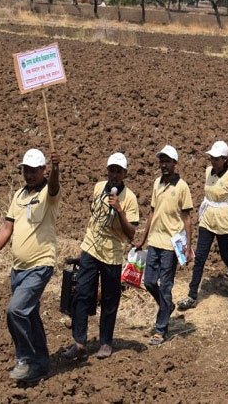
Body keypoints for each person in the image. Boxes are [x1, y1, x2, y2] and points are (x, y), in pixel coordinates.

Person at [0, 148, 61, 382]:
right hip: (18, 270)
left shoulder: (48, 192)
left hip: (40, 264)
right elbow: (7, 228)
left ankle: (24, 359)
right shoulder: (19, 196)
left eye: (33, 171)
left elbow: (54, 186)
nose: (28, 175)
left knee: (15, 310)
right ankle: (42, 363)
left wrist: (56, 169)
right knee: (30, 314)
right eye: (25, 170)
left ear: (43, 170)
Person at [63, 152, 139, 360]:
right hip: (91, 248)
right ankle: (79, 342)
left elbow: (131, 232)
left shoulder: (129, 198)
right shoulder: (98, 188)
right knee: (81, 294)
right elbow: (94, 217)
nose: (114, 175)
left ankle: (105, 342)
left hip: (112, 254)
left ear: (124, 174)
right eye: (111, 170)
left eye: (118, 171)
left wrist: (120, 211)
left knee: (109, 299)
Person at [134, 145, 193, 345]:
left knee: (166, 286)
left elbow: (187, 218)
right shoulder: (156, 184)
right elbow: (152, 212)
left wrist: (188, 245)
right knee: (149, 281)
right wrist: (143, 239)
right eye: (162, 161)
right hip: (154, 242)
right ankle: (166, 307)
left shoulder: (182, 187)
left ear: (175, 164)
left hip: (171, 244)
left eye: (167, 161)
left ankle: (160, 329)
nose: (164, 165)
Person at [177, 141, 228, 310]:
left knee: (226, 255)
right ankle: (192, 295)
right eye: (211, 158)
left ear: (225, 159)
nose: (213, 161)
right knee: (201, 257)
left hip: (223, 220)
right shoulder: (208, 172)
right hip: (207, 218)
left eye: (216, 159)